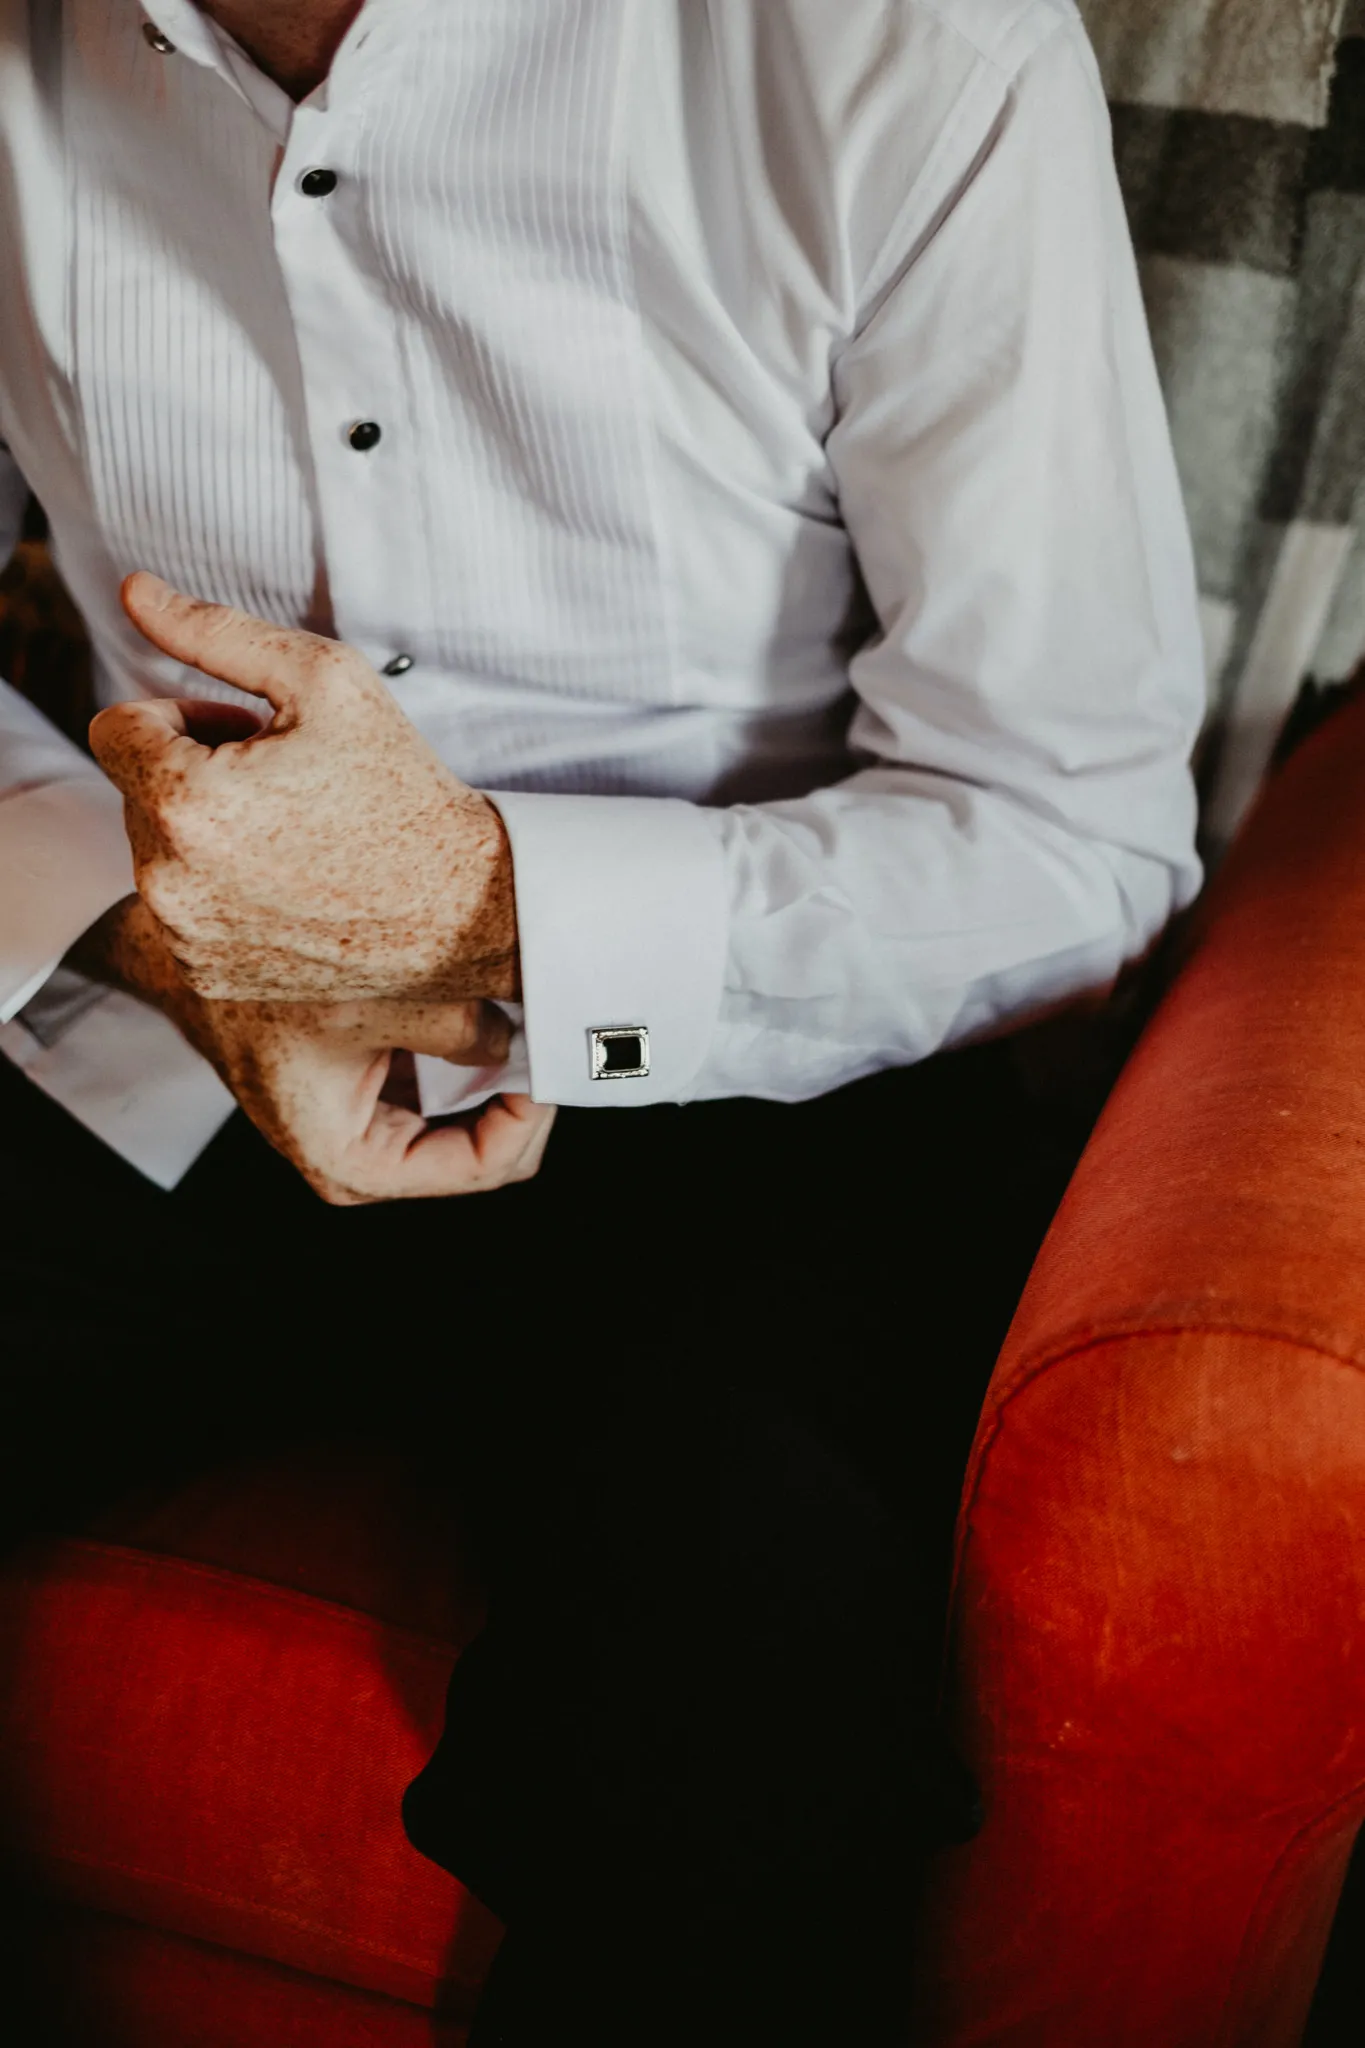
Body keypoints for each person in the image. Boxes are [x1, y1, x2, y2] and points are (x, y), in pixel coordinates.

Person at [0, 1, 1204, 2039]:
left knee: (745, 1684)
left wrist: (466, 909)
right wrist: (174, 933)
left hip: (761, 1079)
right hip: (155, 995)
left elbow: (1061, 835)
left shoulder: (906, 42)